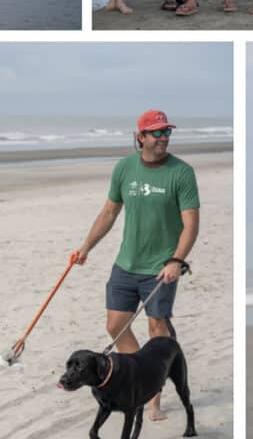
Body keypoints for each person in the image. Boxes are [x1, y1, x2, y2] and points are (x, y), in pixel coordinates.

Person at [75, 110, 200, 421]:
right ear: (140, 136)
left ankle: (153, 396)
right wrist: (86, 247)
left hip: (161, 268)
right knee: (116, 326)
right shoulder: (125, 168)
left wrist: (176, 260)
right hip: (126, 264)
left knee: (158, 328)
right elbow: (108, 213)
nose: (163, 138)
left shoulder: (181, 173)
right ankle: (142, 377)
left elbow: (191, 225)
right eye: (156, 133)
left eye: (166, 132)